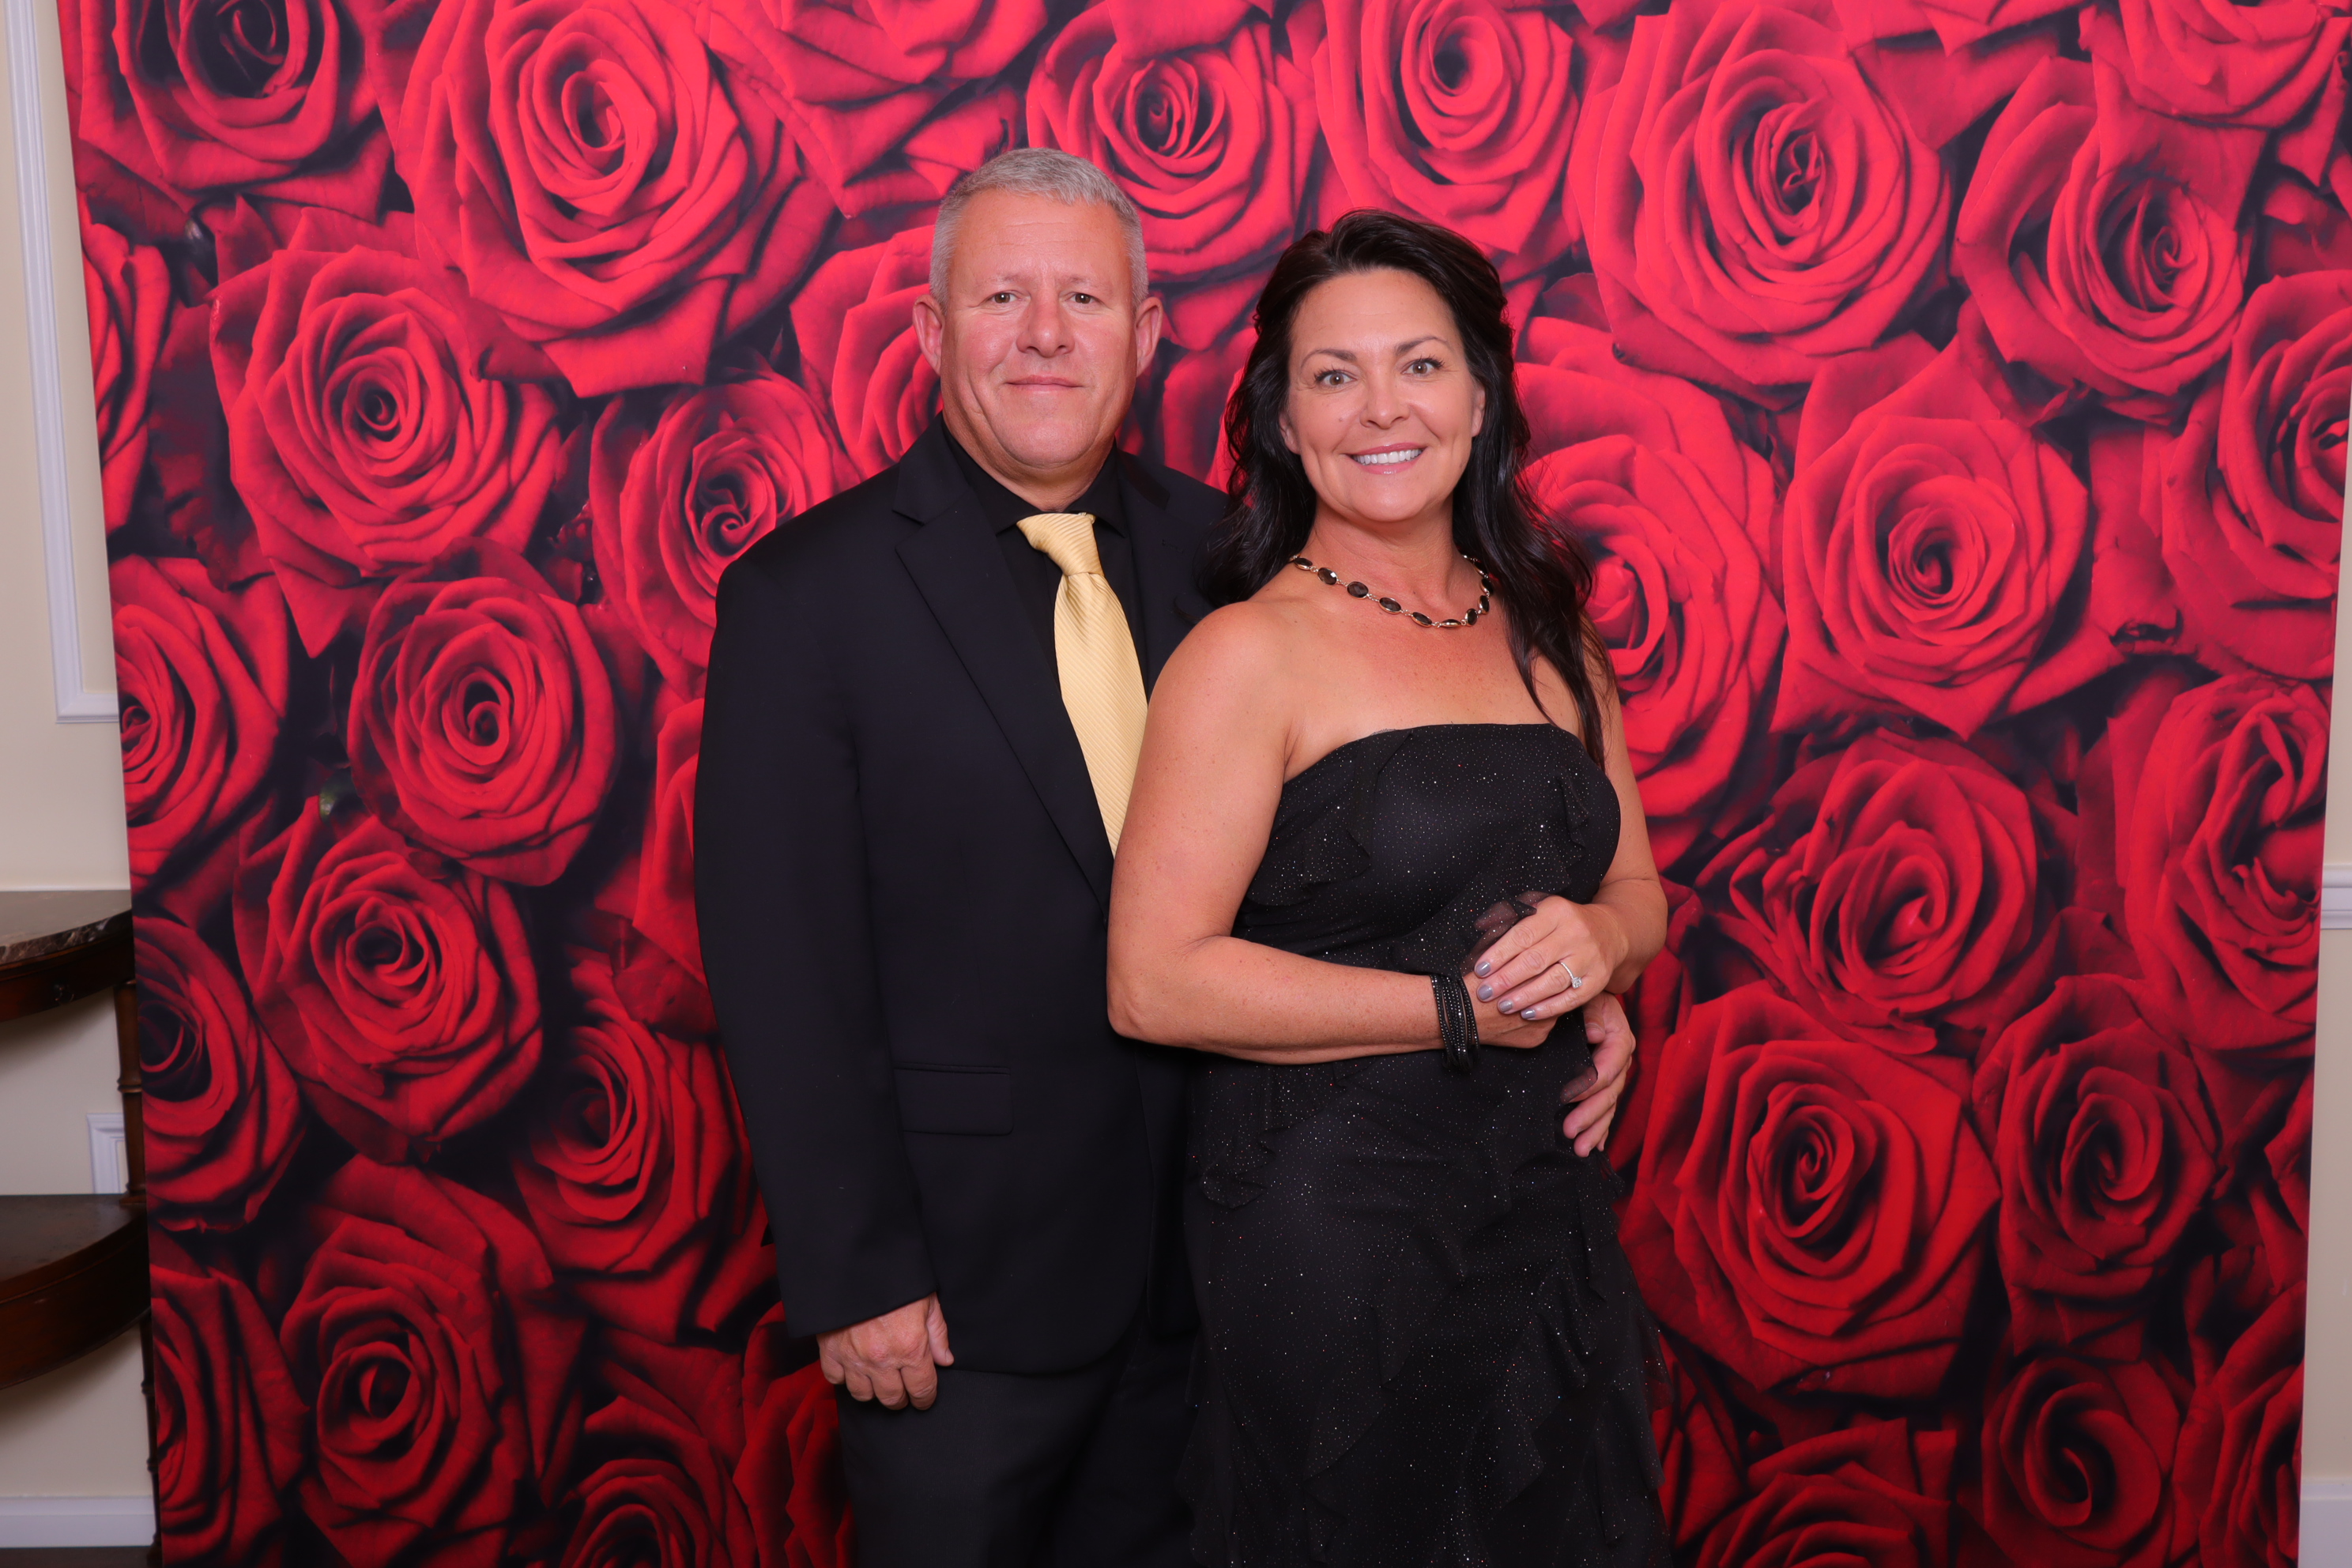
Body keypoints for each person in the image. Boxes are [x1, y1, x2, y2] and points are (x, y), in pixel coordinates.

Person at [1106, 211, 1672, 1566]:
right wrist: (1461, 1009)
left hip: (1545, 1209)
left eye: (1418, 365)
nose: (1380, 409)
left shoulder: (1550, 629)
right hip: (1337, 1238)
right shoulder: (1248, 655)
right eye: (1333, 375)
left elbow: (1638, 888)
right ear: (1283, 421)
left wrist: (1602, 946)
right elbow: (1154, 981)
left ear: (1479, 398)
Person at [695, 150, 1217, 1566]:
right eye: (1002, 297)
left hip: (1215, 1284)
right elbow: (783, 966)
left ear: (1145, 332)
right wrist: (858, 1275)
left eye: (1084, 299)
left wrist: (1566, 974)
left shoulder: (1229, 556)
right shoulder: (806, 598)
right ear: (932, 331)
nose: (1046, 333)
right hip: (954, 1307)